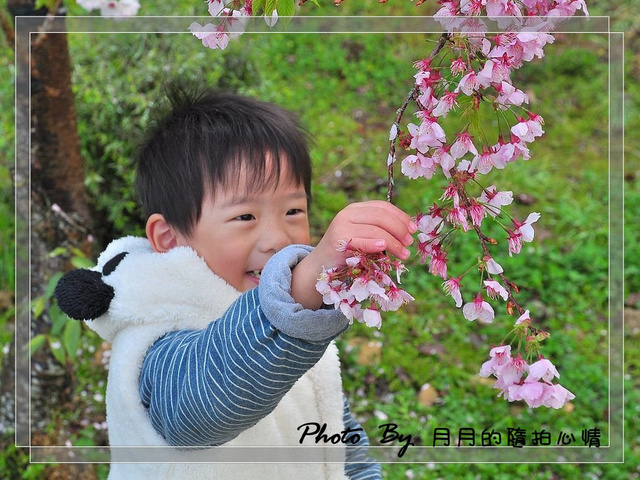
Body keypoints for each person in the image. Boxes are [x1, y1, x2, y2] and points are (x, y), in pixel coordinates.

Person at [56, 80, 417, 479]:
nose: (279, 239)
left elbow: (336, 439)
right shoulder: (154, 338)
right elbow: (203, 407)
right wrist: (298, 292)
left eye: (294, 211)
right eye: (245, 217)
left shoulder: (299, 331)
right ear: (169, 237)